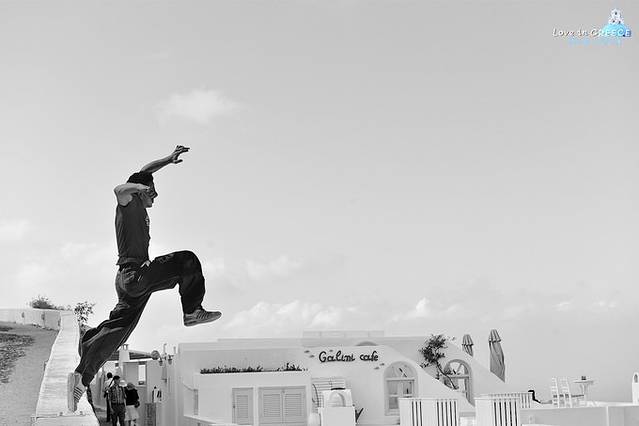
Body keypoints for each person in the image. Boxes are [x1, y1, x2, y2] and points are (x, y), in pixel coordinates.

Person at [67, 146, 222, 412]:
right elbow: (119, 190)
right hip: (135, 274)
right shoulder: (129, 204)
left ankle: (82, 375)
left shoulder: (139, 197)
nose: (156, 196)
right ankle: (192, 311)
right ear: (141, 191)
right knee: (187, 260)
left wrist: (168, 160)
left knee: (118, 329)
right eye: (152, 192)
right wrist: (139, 188)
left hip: (131, 281)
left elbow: (145, 171)